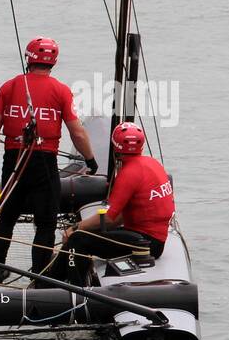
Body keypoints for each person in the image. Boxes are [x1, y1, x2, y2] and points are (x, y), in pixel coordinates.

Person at [0, 36, 100, 284]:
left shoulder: (9, 87)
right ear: (53, 62)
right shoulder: (61, 90)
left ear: (28, 59)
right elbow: (77, 131)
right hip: (44, 161)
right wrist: (90, 159)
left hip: (14, 159)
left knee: (7, 216)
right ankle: (39, 276)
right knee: (45, 222)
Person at [56, 122, 174, 284]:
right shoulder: (153, 163)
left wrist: (76, 228)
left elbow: (110, 218)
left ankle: (69, 290)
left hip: (144, 245)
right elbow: (120, 217)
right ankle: (52, 281)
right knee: (85, 236)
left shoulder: (128, 173)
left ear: (115, 148)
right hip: (155, 241)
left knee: (78, 240)